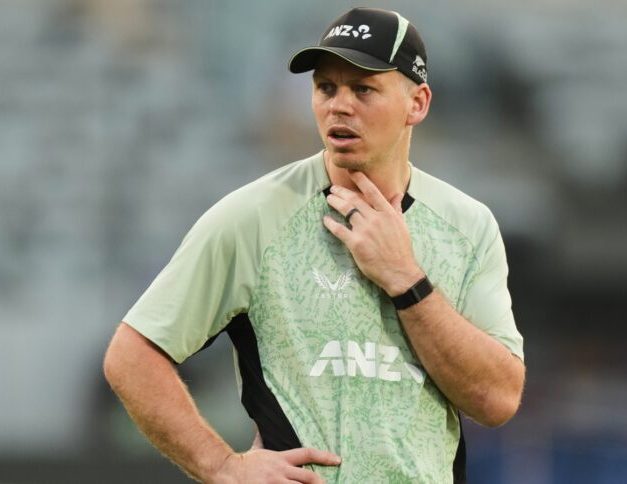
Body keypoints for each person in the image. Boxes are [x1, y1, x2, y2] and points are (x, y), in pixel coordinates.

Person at [103, 7, 525, 483]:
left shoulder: (468, 227)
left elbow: (498, 399)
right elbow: (132, 353)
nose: (339, 106)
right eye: (326, 88)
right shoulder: (256, 216)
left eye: (363, 89)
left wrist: (407, 279)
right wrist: (221, 465)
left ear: (418, 103)